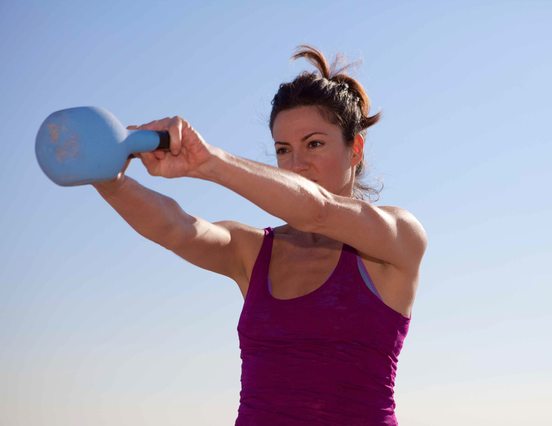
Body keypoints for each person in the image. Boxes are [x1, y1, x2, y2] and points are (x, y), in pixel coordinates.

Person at [93, 45, 428, 425]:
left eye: (314, 144)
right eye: (283, 150)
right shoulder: (254, 251)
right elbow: (178, 230)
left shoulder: (398, 238)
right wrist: (106, 178)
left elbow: (319, 211)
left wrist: (208, 162)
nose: (297, 165)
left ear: (355, 149)